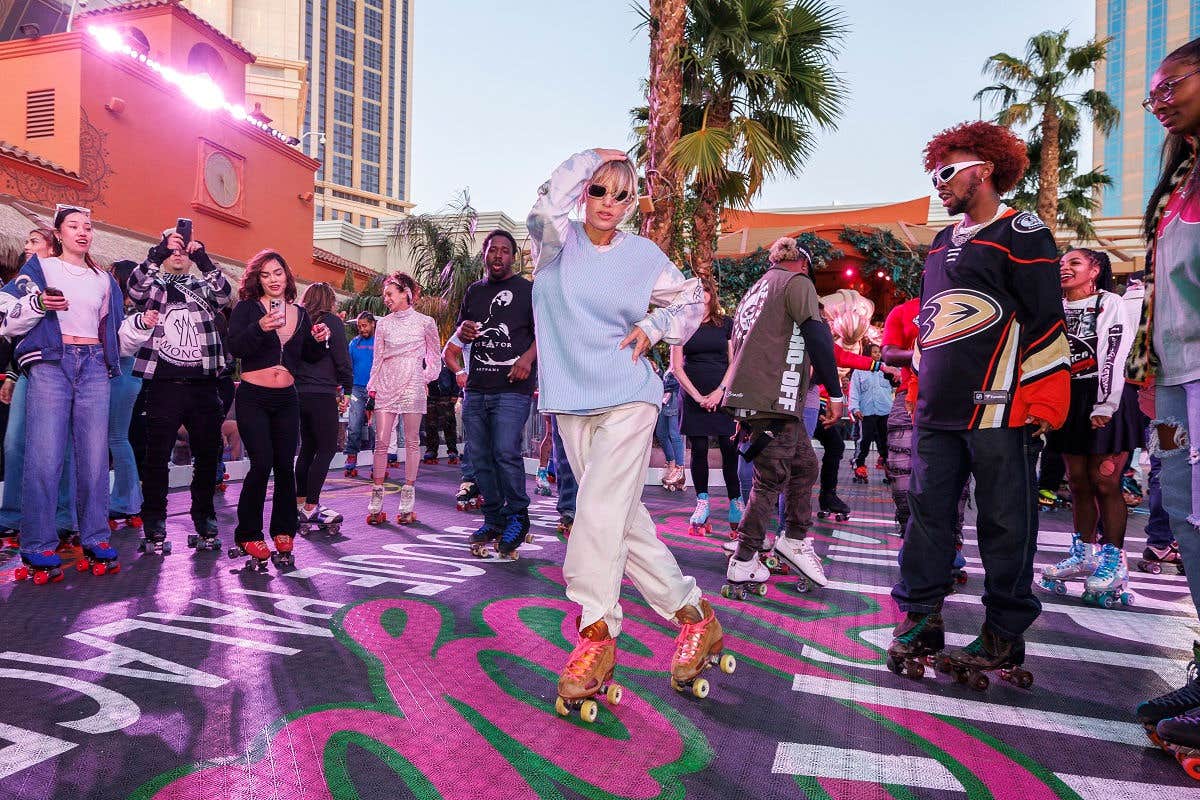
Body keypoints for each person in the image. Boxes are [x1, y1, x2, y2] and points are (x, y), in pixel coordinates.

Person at [529, 147, 731, 713]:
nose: (610, 205)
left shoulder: (643, 254)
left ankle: (595, 634)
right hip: (571, 402)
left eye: (622, 195)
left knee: (593, 511)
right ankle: (695, 616)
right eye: (599, 191)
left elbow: (693, 300)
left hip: (630, 396)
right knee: (622, 521)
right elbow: (547, 203)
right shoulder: (553, 243)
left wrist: (655, 325)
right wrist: (594, 157)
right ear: (582, 193)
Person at [887, 121, 1069, 685]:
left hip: (1000, 407)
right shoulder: (942, 241)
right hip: (938, 407)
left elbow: (1044, 317)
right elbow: (932, 322)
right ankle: (922, 618)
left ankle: (1004, 634)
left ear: (982, 170)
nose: (938, 184)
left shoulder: (1024, 230)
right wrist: (918, 382)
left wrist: (1042, 396)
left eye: (947, 172)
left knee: (1004, 521)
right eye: (934, 173)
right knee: (926, 516)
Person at [0, 206, 156, 582]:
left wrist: (141, 325)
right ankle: (37, 545)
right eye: (73, 226)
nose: (82, 232)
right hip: (52, 363)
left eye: (87, 227)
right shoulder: (40, 269)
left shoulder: (104, 280)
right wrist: (38, 304)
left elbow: (116, 339)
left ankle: (96, 537)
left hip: (94, 365)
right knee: (44, 455)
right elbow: (5, 313)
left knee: (93, 457)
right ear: (59, 233)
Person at [1130, 38, 1200, 756]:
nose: (1158, 97)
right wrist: (1152, 375)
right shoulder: (1179, 180)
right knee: (1187, 520)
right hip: (1179, 380)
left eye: (1171, 81)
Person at [722, 236, 843, 596]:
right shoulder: (796, 283)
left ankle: (792, 537)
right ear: (804, 264)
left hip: (761, 398)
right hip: (772, 399)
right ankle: (744, 559)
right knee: (769, 479)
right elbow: (817, 336)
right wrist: (835, 394)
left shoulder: (756, 289)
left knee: (805, 467)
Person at [1039, 249, 1141, 606]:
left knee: (1105, 481)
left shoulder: (1109, 302)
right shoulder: (1053, 304)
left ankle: (1113, 561)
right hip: (1069, 398)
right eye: (1062, 264)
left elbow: (1114, 351)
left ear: (1094, 270)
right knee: (1078, 481)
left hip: (1105, 394)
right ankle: (1083, 553)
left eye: (1075, 263)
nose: (1065, 268)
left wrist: (1107, 403)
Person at [126, 223, 233, 553]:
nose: (177, 255)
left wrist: (202, 258)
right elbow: (134, 288)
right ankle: (155, 522)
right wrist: (158, 251)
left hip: (203, 385)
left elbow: (226, 294)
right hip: (163, 383)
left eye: (182, 251)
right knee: (157, 459)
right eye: (172, 250)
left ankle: (204, 519)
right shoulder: (155, 285)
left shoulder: (202, 286)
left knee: (206, 456)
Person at [226, 250, 331, 570]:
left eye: (278, 273)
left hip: (287, 398)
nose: (273, 279)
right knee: (262, 464)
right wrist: (259, 326)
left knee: (286, 466)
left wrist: (320, 340)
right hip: (253, 396)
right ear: (258, 280)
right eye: (266, 275)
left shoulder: (301, 313)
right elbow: (236, 348)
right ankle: (248, 533)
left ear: (287, 277)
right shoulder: (246, 309)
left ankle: (283, 530)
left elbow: (309, 357)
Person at [444, 229, 538, 558]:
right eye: (492, 250)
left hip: (513, 388)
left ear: (513, 256)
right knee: (480, 458)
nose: (498, 255)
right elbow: (461, 336)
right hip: (476, 389)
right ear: (484, 254)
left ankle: (518, 517)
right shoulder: (474, 292)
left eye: (504, 250)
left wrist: (527, 360)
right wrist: (463, 334)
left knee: (505, 453)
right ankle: (494, 519)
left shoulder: (528, 291)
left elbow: (545, 334)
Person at [0, 228, 79, 548]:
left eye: (34, 241)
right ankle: (11, 515)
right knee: (15, 442)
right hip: (30, 371)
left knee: (63, 447)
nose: (26, 246)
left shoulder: (76, 277)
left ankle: (63, 516)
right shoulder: (17, 285)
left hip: (68, 372)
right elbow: (11, 328)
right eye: (26, 241)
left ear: (53, 246)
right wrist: (13, 375)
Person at [364, 272, 441, 526]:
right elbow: (378, 358)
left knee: (411, 441)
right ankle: (376, 499)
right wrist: (372, 388)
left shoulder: (425, 322)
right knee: (381, 442)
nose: (385, 299)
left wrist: (425, 376)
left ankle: (407, 497)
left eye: (389, 294)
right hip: (386, 383)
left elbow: (434, 355)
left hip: (412, 384)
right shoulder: (383, 324)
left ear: (406, 292)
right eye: (384, 295)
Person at [672, 277, 743, 536]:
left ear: (711, 295)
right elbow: (677, 367)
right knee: (699, 448)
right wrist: (698, 396)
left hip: (723, 393)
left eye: (703, 291)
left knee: (728, 446)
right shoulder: (681, 325)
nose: (699, 295)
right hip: (692, 395)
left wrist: (719, 392)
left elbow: (734, 362)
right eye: (694, 291)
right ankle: (702, 502)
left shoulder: (726, 325)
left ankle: (736, 502)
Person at [293, 282, 353, 533]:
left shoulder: (298, 320)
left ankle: (300, 502)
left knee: (307, 448)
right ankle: (311, 506)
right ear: (329, 300)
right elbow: (342, 358)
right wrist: (347, 389)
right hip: (322, 393)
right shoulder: (332, 322)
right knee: (327, 449)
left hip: (298, 393)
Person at [108, 259, 144, 534]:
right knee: (119, 437)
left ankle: (127, 500)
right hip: (128, 374)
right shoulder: (129, 307)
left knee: (117, 438)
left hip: (123, 372)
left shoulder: (126, 308)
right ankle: (128, 500)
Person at [849, 343, 894, 484]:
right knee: (864, 441)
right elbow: (854, 391)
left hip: (885, 411)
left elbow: (897, 386)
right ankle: (859, 466)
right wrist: (855, 409)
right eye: (874, 352)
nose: (877, 354)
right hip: (866, 412)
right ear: (868, 353)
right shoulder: (859, 371)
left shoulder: (886, 369)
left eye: (879, 352)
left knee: (886, 441)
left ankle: (889, 468)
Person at [343, 312, 376, 477]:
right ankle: (351, 458)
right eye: (359, 326)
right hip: (356, 388)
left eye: (365, 325)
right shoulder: (354, 343)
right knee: (354, 425)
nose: (362, 329)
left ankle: (378, 462)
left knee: (376, 428)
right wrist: (345, 390)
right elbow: (347, 367)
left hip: (376, 389)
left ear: (372, 324)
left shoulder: (380, 342)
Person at [423, 364, 461, 465]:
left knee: (449, 424)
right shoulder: (424, 358)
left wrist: (455, 393)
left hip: (446, 396)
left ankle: (452, 451)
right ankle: (431, 451)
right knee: (430, 425)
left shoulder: (446, 357)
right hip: (429, 397)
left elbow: (455, 373)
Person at [656, 366, 686, 491]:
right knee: (661, 433)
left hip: (674, 399)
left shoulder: (682, 362)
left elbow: (677, 382)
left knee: (675, 435)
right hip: (665, 399)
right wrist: (658, 372)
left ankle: (679, 469)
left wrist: (663, 381)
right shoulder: (671, 364)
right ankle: (671, 462)